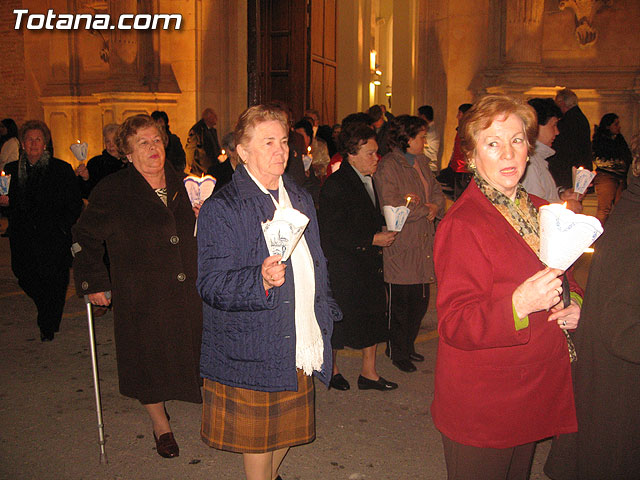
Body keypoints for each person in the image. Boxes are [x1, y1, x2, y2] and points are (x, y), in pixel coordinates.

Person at [432, 94, 583, 479]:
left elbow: (564, 275)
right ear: (471, 154)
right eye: (493, 143)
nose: (508, 154)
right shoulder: (463, 224)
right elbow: (456, 323)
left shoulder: (537, 207)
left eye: (517, 140)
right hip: (486, 403)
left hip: (530, 390)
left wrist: (574, 303)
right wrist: (518, 304)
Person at [197, 104, 341, 480]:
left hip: (298, 332)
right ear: (242, 151)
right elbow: (210, 284)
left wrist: (324, 308)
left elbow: (315, 261)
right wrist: (257, 280)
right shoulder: (224, 207)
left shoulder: (300, 196)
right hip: (254, 343)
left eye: (283, 141)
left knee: (288, 434)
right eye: (267, 143)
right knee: (259, 444)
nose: (280, 151)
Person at [72, 114, 202, 458]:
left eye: (156, 140)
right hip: (141, 292)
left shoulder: (188, 184)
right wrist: (94, 280)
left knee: (193, 348)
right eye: (142, 143)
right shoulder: (113, 191)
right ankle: (161, 424)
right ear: (127, 153)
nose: (152, 148)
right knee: (146, 358)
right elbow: (84, 237)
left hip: (188, 288)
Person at [319, 124, 398, 392]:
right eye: (370, 153)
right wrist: (371, 239)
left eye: (377, 153)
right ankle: (332, 369)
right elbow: (332, 233)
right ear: (351, 154)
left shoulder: (368, 178)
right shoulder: (336, 184)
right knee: (340, 320)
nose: (377, 158)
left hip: (367, 264)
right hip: (345, 265)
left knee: (372, 316)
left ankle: (369, 372)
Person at [374, 115, 445, 373]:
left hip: (423, 240)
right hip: (401, 242)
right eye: (421, 137)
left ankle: (409, 345)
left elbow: (436, 192)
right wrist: (424, 209)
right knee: (400, 303)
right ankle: (397, 350)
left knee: (420, 300)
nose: (425, 142)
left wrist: (434, 207)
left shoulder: (422, 163)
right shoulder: (389, 166)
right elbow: (391, 204)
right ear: (407, 139)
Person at [0, 120, 82, 341]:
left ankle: (48, 324)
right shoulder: (10, 171)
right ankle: (46, 309)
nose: (34, 143)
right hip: (23, 237)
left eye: (38, 139)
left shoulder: (61, 169)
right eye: (29, 139)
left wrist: (63, 227)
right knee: (25, 276)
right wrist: (4, 203)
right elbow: (6, 204)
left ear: (45, 143)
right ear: (23, 145)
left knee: (56, 281)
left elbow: (74, 203)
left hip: (53, 237)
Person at [522, 98, 583, 213]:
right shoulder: (530, 163)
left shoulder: (537, 159)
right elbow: (535, 205)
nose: (557, 132)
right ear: (536, 126)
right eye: (553, 125)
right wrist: (566, 206)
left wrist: (562, 196)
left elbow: (543, 195)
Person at [592, 113, 632, 225]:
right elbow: (599, 159)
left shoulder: (620, 139)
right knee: (604, 210)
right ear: (608, 126)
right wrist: (619, 163)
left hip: (620, 178)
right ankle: (599, 236)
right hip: (606, 177)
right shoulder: (600, 140)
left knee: (621, 210)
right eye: (616, 124)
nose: (619, 127)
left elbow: (627, 157)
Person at [549, 88, 592, 188]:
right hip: (577, 168)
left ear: (561, 102)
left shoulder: (569, 120)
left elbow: (564, 148)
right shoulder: (579, 117)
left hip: (568, 171)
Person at [75, 123, 127, 198]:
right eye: (108, 141)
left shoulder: (129, 162)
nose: (111, 145)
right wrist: (85, 178)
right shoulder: (96, 163)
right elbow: (86, 193)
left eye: (114, 141)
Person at [185, 107, 222, 175]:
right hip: (201, 168)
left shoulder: (212, 130)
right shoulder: (197, 131)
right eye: (214, 116)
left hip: (212, 166)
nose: (216, 118)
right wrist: (191, 165)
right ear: (208, 117)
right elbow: (190, 149)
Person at [448, 103, 473, 200]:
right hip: (456, 167)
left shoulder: (468, 131)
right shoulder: (461, 129)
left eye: (460, 113)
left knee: (460, 198)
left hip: (463, 169)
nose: (457, 117)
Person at [418, 105, 441, 173]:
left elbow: (423, 146)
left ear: (423, 116)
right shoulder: (427, 129)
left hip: (429, 167)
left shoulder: (431, 131)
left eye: (419, 116)